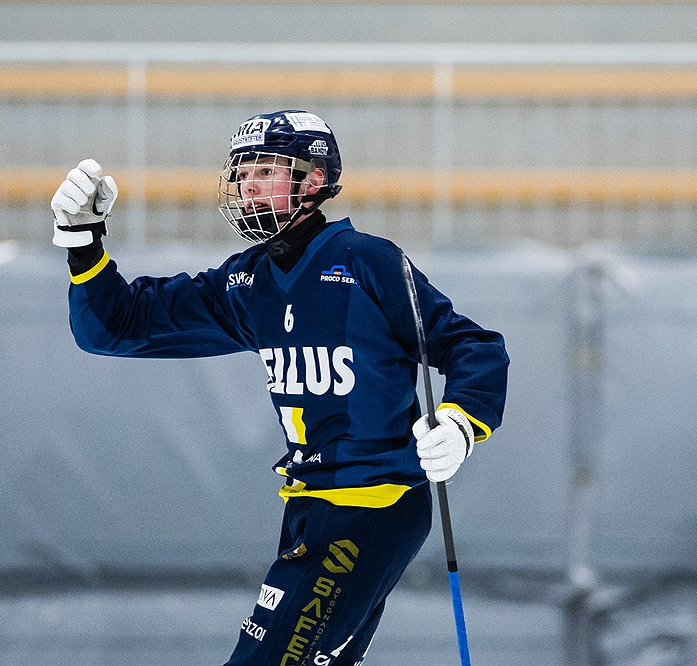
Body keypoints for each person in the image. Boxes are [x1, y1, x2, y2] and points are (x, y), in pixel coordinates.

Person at [51, 110, 509, 666]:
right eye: (242, 174)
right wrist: (82, 242)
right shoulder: (249, 281)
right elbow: (118, 327)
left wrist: (460, 423)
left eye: (265, 171)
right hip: (307, 507)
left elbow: (472, 346)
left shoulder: (368, 261)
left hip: (371, 505)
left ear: (313, 179)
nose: (248, 186)